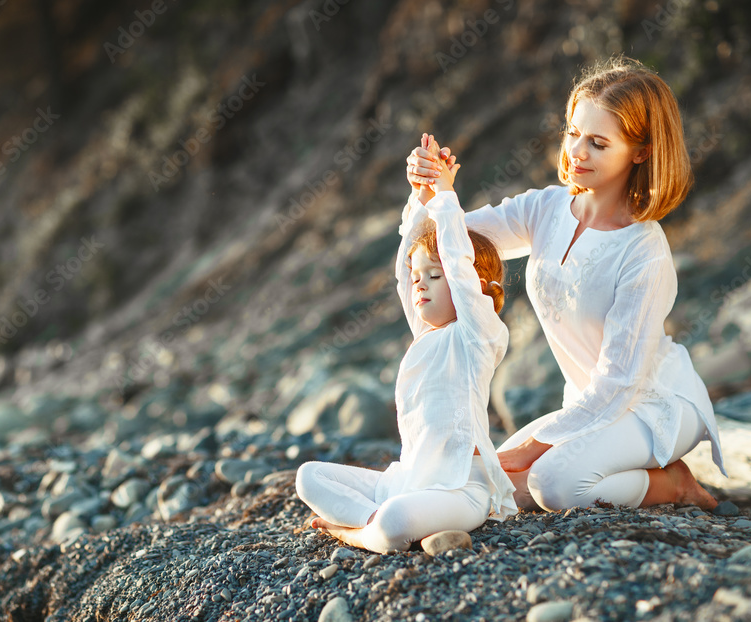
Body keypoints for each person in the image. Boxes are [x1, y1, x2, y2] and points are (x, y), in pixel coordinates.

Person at [404, 56, 726, 512]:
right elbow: (451, 242)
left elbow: (619, 383)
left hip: (650, 404)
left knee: (554, 485)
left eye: (597, 142)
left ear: (642, 151)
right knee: (483, 482)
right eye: (573, 133)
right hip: (586, 407)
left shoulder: (644, 252)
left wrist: (532, 447)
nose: (577, 152)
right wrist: (430, 192)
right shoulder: (547, 208)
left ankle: (671, 483)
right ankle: (617, 470)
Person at [295, 135, 517, 554]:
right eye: (420, 278)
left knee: (396, 517)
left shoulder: (478, 335)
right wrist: (420, 195)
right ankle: (384, 527)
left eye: (435, 277)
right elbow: (403, 270)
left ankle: (357, 532)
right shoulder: (424, 335)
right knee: (308, 475)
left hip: (461, 490)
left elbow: (458, 263)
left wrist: (446, 198)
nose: (420, 285)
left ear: (478, 288)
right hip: (407, 481)